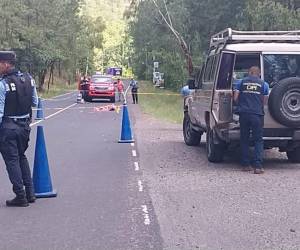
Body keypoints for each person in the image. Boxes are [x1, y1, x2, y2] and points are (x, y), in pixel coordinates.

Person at [0, 51, 38, 207]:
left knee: (12, 161)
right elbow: (35, 102)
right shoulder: (29, 79)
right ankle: (30, 193)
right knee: (21, 157)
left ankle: (20, 195)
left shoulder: (3, 84)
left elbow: (0, 111)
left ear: (6, 64)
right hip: (24, 126)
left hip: (8, 127)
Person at [233, 66, 269, 174]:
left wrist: (240, 104)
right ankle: (257, 166)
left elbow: (235, 98)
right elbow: (265, 101)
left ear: (249, 72)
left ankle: (245, 165)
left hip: (244, 114)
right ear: (258, 74)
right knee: (258, 140)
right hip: (257, 114)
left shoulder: (241, 82)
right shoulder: (264, 84)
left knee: (244, 139)